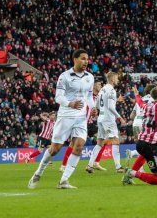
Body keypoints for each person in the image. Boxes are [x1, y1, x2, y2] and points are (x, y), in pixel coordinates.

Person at [28, 49, 96, 189]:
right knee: (55, 149)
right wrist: (70, 103)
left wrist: (93, 107)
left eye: (87, 59)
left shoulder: (90, 77)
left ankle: (64, 181)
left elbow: (88, 97)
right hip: (65, 116)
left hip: (81, 118)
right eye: (83, 58)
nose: (86, 61)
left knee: (79, 147)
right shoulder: (64, 76)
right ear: (75, 59)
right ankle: (38, 172)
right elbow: (58, 97)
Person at [59, 81, 105, 172]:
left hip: (89, 123)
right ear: (94, 86)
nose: (101, 86)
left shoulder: (96, 98)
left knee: (103, 139)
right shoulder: (86, 95)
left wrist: (95, 114)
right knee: (73, 143)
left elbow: (93, 111)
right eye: (99, 84)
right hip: (80, 121)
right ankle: (63, 165)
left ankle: (96, 163)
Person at [85, 72, 126, 173]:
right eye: (116, 78)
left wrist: (115, 100)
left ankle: (89, 165)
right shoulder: (112, 90)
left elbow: (97, 105)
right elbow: (110, 106)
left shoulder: (102, 90)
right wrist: (119, 117)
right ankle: (118, 167)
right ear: (112, 78)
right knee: (116, 141)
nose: (117, 80)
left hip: (101, 118)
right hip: (108, 119)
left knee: (100, 143)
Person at [125, 84, 155, 168]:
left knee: (141, 147)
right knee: (148, 147)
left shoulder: (140, 99)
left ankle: (138, 166)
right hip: (144, 123)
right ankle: (132, 154)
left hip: (136, 123)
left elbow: (131, 116)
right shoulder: (154, 100)